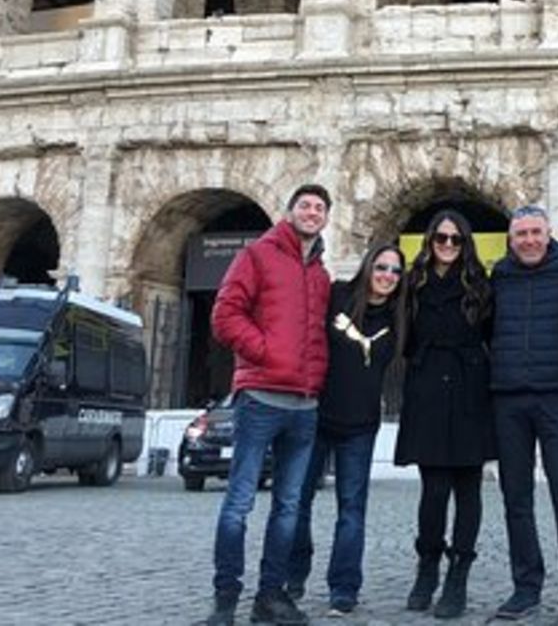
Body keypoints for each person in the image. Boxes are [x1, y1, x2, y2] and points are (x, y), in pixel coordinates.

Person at [201, 184, 333, 626]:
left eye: (319, 208)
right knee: (239, 502)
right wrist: (264, 352)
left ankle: (270, 597)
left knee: (289, 507)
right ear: (290, 211)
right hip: (260, 398)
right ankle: (225, 599)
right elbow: (224, 315)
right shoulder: (257, 255)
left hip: (304, 405)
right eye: (305, 206)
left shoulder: (321, 275)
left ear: (327, 218)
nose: (312, 213)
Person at [287, 243, 408, 615]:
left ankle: (344, 588)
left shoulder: (401, 315)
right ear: (368, 265)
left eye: (395, 271)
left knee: (352, 509)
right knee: (296, 503)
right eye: (382, 267)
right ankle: (294, 573)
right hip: (316, 415)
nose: (387, 275)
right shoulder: (337, 294)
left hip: (361, 425)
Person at [489, 205, 558, 624]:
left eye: (536, 232)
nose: (529, 240)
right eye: (521, 235)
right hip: (508, 398)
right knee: (516, 498)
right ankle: (525, 586)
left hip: (556, 396)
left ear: (548, 234)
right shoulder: (498, 276)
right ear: (510, 239)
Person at [393, 211, 496, 620]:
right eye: (441, 238)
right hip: (429, 389)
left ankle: (459, 575)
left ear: (465, 243)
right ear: (430, 240)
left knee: (469, 491)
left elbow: (495, 336)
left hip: (471, 390)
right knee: (433, 491)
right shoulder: (412, 284)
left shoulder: (481, 285)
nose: (448, 245)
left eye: (456, 239)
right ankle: (428, 565)